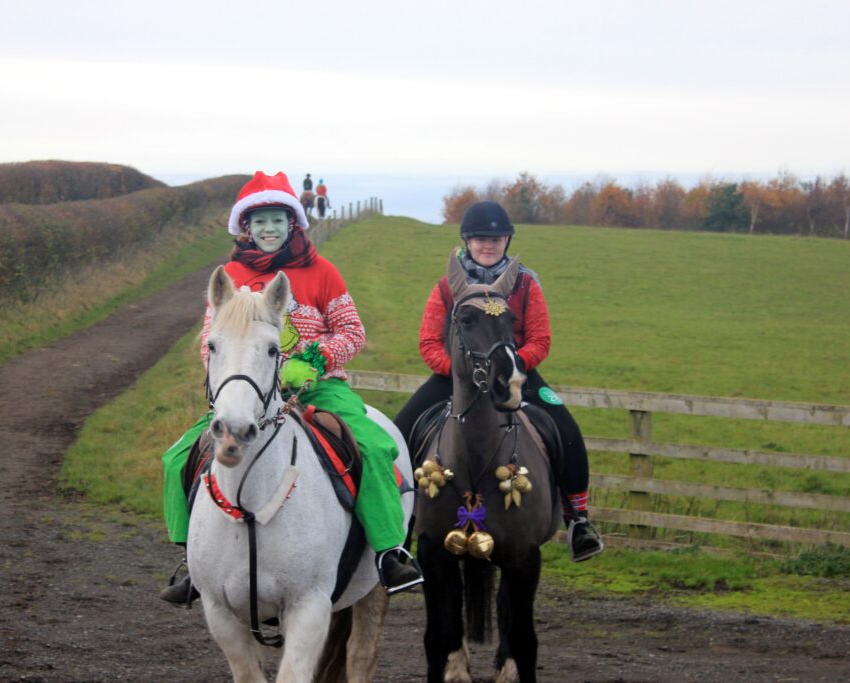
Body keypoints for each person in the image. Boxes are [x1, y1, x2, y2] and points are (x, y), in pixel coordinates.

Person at [160, 171, 422, 605]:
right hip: (248, 395)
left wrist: (313, 361)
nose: (269, 229)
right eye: (259, 220)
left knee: (374, 448)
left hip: (320, 390)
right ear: (246, 226)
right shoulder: (230, 276)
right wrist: (237, 380)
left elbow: (353, 332)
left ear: (293, 224)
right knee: (176, 459)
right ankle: (193, 562)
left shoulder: (321, 272)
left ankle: (389, 551)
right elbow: (213, 343)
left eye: (278, 220)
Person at [393, 200, 604, 562]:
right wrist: (459, 370)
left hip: (515, 373)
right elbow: (429, 341)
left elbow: (540, 338)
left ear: (507, 241)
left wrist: (511, 365)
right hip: (457, 376)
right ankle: (401, 531)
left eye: (496, 238)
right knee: (400, 431)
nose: (488, 245)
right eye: (480, 239)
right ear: (467, 240)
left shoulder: (525, 284)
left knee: (567, 430)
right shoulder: (447, 287)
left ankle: (578, 521)